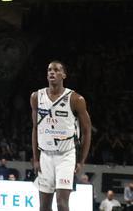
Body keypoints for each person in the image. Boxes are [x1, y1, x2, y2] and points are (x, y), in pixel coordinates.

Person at [31, 61, 92, 211]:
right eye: (49, 70)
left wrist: (81, 161)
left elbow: (87, 131)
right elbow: (35, 128)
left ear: (64, 75)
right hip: (45, 155)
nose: (52, 72)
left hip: (66, 156)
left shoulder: (76, 99)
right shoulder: (36, 97)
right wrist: (36, 158)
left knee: (62, 204)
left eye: (57, 70)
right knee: (44, 207)